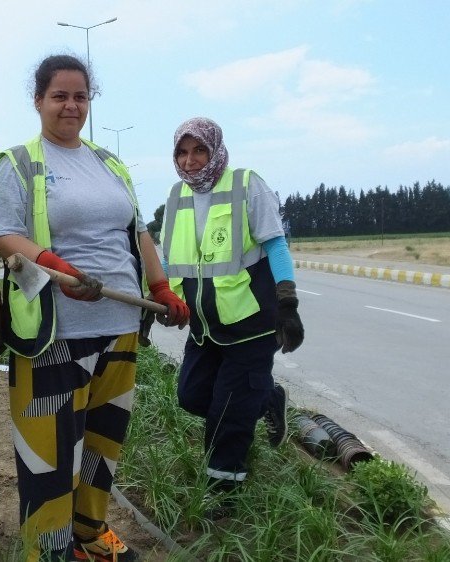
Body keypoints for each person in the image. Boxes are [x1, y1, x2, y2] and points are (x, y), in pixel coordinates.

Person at [0, 54, 189, 562]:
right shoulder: (18, 163)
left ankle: (89, 535)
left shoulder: (109, 164)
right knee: (50, 456)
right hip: (55, 332)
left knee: (103, 444)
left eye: (80, 96)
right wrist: (54, 265)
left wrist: (161, 287)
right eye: (60, 96)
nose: (71, 106)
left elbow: (137, 231)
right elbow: (0, 236)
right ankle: (47, 550)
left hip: (119, 325)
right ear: (38, 101)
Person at [159, 117, 305, 519]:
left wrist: (288, 302)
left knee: (228, 413)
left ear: (215, 150)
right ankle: (268, 398)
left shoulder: (245, 184)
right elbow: (170, 259)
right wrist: (160, 297)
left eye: (199, 151)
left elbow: (275, 245)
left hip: (250, 327)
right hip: (205, 329)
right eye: (182, 153)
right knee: (192, 396)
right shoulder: (176, 197)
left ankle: (222, 497)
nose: (190, 161)